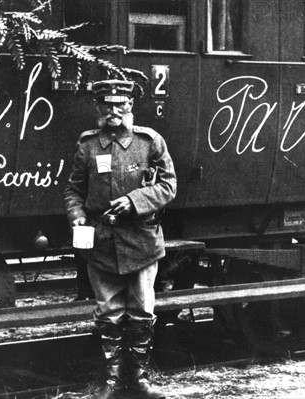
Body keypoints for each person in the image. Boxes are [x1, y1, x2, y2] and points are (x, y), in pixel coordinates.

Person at [64, 79, 176, 399]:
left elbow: (167, 186)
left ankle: (139, 380)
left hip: (141, 239)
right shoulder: (87, 145)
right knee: (108, 312)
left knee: (142, 310)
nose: (114, 111)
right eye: (107, 105)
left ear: (131, 107)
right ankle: (112, 382)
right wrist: (78, 217)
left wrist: (135, 201)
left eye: (120, 105)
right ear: (97, 108)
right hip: (100, 240)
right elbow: (74, 189)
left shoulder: (150, 142)